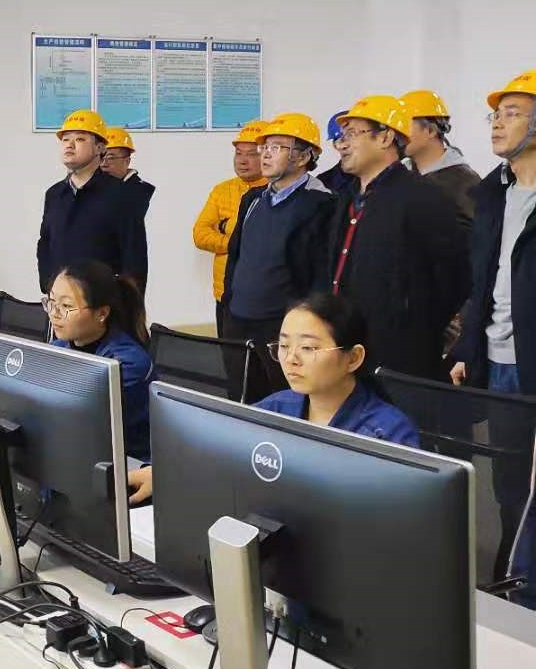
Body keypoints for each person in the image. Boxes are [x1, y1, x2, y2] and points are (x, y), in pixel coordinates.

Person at [128, 292, 419, 502]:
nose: (291, 359)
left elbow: (397, 521)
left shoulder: (387, 434)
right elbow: (219, 448)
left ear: (353, 358)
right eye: (283, 346)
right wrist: (166, 474)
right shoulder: (277, 407)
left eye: (308, 348)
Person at [0, 259, 157, 462]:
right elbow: (23, 390)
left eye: (66, 306)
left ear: (102, 313)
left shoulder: (127, 363)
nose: (54, 313)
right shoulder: (59, 348)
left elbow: (67, 419)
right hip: (71, 461)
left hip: (126, 470)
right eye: (51, 302)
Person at [453, 70, 536, 592]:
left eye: (512, 113)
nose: (497, 124)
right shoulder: (492, 193)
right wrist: (469, 345)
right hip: (501, 357)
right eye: (496, 114)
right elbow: (480, 279)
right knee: (509, 484)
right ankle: (516, 577)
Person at [328, 95, 470, 381]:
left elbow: (455, 278)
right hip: (347, 344)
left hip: (399, 356)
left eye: (352, 134)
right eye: (342, 136)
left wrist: (412, 326)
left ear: (385, 138)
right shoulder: (347, 200)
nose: (342, 144)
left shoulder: (423, 198)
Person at [220, 113, 333, 401]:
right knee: (242, 398)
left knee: (287, 401)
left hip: (283, 325)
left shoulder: (321, 203)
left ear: (303, 156)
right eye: (265, 147)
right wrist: (229, 302)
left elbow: (320, 271)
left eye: (277, 147)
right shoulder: (253, 199)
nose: (266, 154)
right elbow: (236, 255)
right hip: (238, 319)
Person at [37, 109, 148, 295]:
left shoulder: (121, 195)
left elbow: (134, 257)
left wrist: (129, 305)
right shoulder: (54, 195)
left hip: (103, 303)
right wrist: (49, 286)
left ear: (100, 148)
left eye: (80, 139)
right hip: (61, 301)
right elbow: (45, 244)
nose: (69, 145)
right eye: (65, 139)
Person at [193, 120, 267, 334]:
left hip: (263, 297)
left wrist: (224, 226)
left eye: (251, 154)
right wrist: (234, 243)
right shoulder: (222, 190)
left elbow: (262, 237)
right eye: (238, 153)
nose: (243, 160)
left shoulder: (276, 191)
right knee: (229, 351)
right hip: (225, 293)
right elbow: (200, 234)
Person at [401, 89, 482, 228]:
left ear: (431, 131)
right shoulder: (400, 175)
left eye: (405, 125)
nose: (397, 133)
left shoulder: (464, 183)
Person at [102, 127, 155, 216]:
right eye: (100, 157)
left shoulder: (139, 191)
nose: (103, 164)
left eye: (110, 158)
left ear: (126, 161)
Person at [317, 111, 354, 195]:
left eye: (351, 136)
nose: (344, 145)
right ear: (335, 146)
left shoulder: (381, 176)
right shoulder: (323, 183)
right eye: (340, 140)